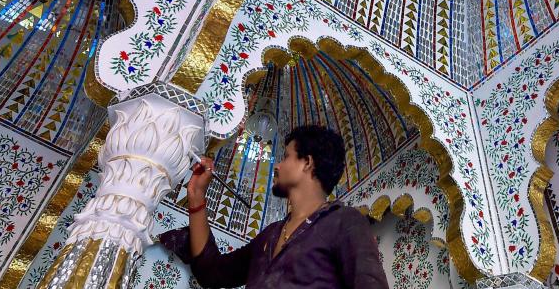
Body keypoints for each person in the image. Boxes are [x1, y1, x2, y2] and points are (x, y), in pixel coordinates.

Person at [159, 124, 390, 289]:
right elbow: (211, 273)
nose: (277, 166)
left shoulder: (345, 222)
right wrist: (197, 195)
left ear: (307, 162)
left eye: (286, 156)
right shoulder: (270, 235)